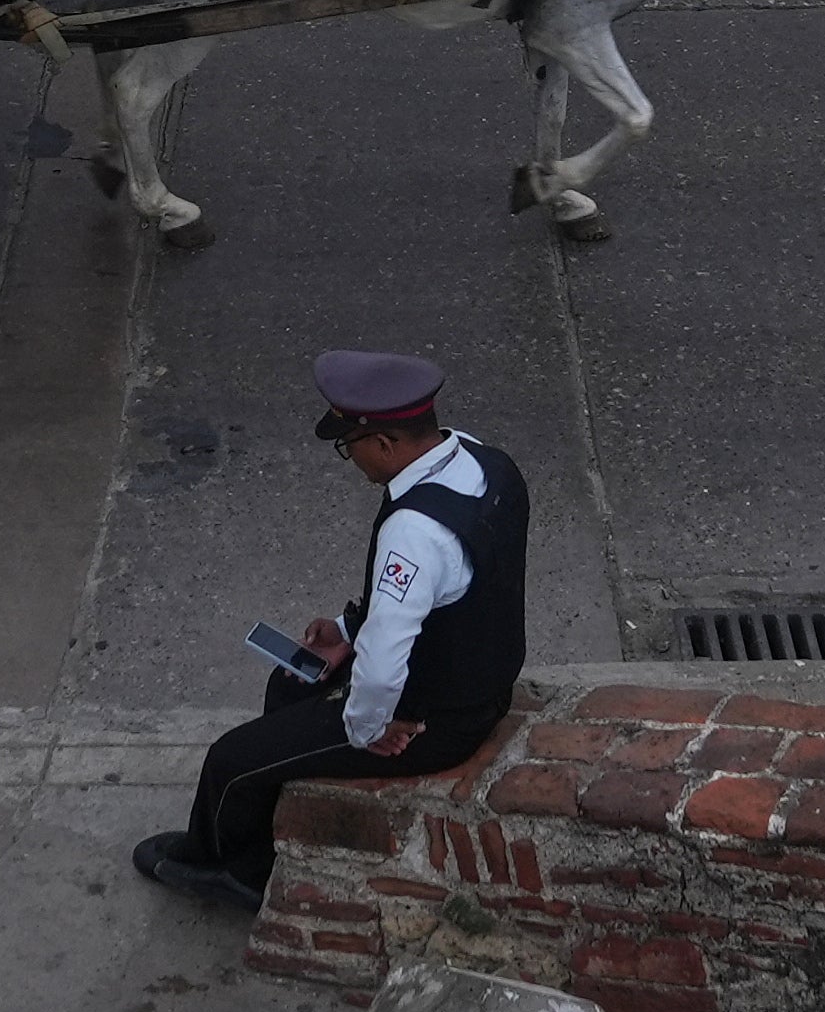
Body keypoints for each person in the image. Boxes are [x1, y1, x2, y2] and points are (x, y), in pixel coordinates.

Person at [134, 351, 530, 914]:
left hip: (434, 719)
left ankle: (225, 868)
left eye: (352, 446)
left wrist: (368, 729)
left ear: (387, 444)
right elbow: (441, 593)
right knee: (292, 682)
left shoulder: (414, 531)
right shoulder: (485, 462)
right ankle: (276, 825)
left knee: (230, 762)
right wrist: (348, 629)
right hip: (481, 676)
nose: (352, 460)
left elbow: (386, 662)